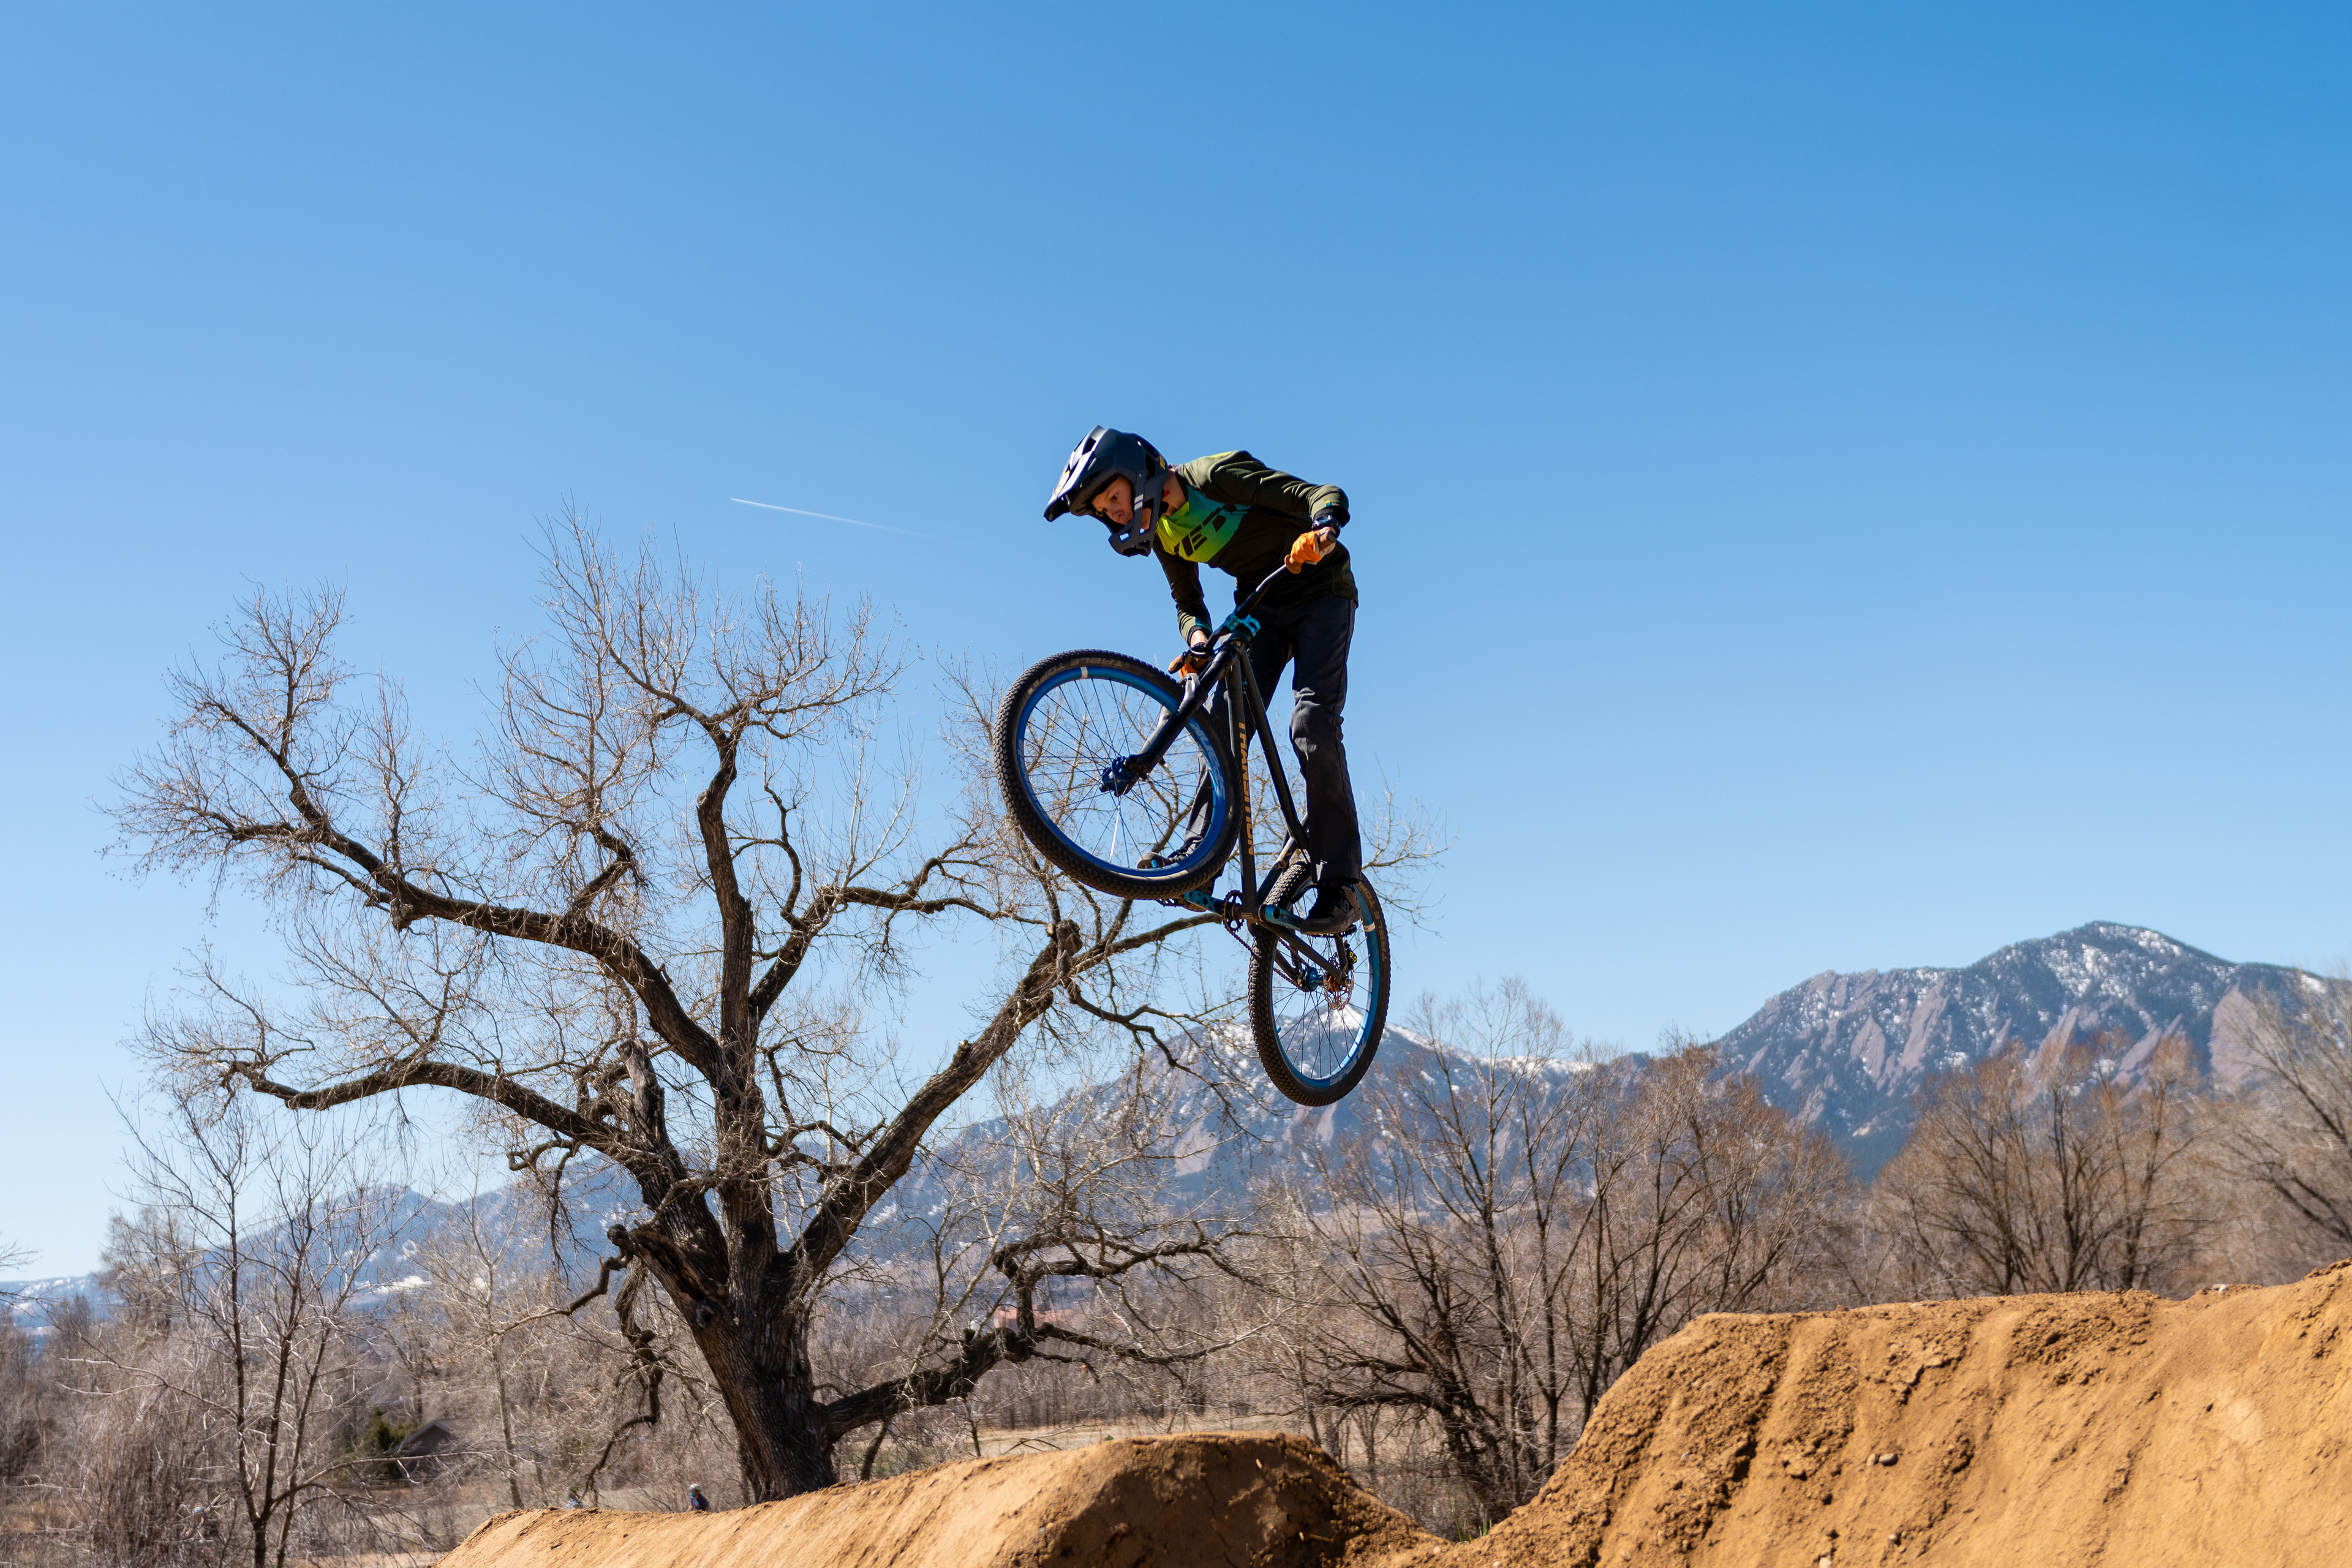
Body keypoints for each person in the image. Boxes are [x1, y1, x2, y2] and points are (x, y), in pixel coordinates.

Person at [1044, 428, 1362, 927]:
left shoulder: (1214, 477)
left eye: (1114, 499)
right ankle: (1202, 861)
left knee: (1311, 724)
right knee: (1220, 723)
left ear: (1138, 474)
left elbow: (1317, 494)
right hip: (1262, 606)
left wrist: (1323, 526)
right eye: (1105, 511)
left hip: (1323, 593)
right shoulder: (1165, 534)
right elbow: (1188, 603)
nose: (1115, 514)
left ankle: (1341, 882)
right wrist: (1196, 640)